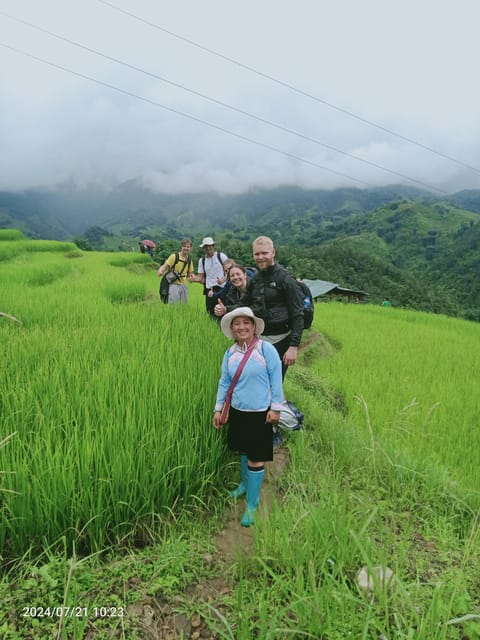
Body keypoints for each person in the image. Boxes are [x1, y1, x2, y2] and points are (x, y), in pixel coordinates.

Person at [213, 307, 283, 527]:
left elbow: (276, 379)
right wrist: (218, 408)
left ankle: (252, 504)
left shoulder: (266, 350)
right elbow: (224, 381)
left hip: (260, 413)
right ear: (232, 329)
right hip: (237, 411)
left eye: (246, 323)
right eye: (237, 324)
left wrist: (276, 408)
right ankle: (243, 485)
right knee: (243, 450)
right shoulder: (230, 353)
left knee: (255, 457)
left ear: (254, 327)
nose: (241, 327)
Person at [242, 236, 304, 380]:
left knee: (274, 384)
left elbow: (298, 314)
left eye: (264, 253)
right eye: (257, 254)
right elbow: (244, 305)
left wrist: (293, 347)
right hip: (258, 340)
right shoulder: (255, 280)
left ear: (273, 253)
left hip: (281, 342)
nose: (260, 257)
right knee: (255, 381)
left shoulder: (286, 279)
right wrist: (226, 309)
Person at [189, 237, 229, 317]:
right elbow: (200, 277)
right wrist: (193, 279)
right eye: (206, 246)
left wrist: (224, 279)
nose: (208, 248)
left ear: (213, 246)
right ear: (203, 248)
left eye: (210, 245)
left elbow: (230, 271)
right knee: (210, 313)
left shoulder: (221, 256)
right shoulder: (202, 261)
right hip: (209, 290)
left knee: (223, 312)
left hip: (222, 289)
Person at [157, 238, 194, 304]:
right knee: (173, 305)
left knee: (183, 306)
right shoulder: (174, 256)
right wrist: (160, 271)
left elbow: (190, 274)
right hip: (173, 284)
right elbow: (165, 266)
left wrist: (192, 278)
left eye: (188, 247)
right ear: (181, 247)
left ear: (190, 248)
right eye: (184, 246)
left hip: (183, 285)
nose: (186, 248)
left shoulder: (189, 261)